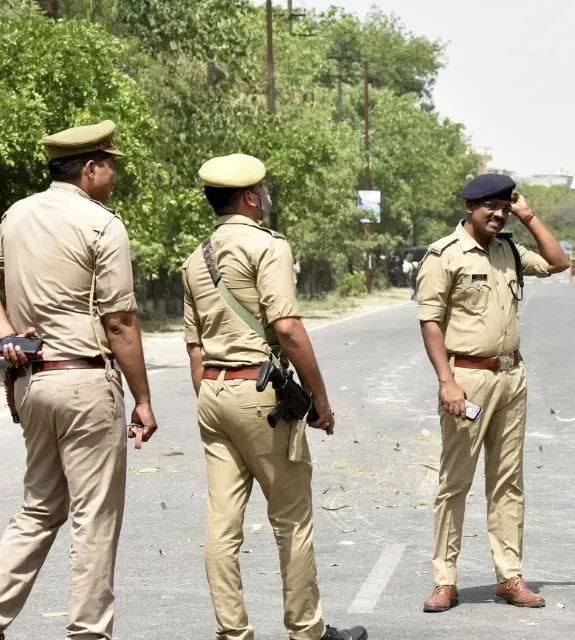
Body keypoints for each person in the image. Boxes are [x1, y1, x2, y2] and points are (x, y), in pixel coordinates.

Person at [181, 153, 366, 640]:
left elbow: (194, 346)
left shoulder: (195, 258)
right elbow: (287, 327)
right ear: (249, 197)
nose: (266, 198)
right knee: (291, 519)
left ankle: (233, 633)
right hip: (259, 395)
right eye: (263, 191)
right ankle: (307, 630)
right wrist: (320, 401)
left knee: (222, 524)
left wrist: (213, 394)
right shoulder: (267, 247)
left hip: (214, 393)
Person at [0, 120, 157, 640]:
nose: (114, 175)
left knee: (39, 509)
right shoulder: (102, 225)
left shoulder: (14, 217)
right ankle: (89, 632)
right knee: (94, 516)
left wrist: (6, 336)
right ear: (89, 169)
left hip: (31, 385)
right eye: (110, 165)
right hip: (85, 383)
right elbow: (119, 322)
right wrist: (142, 397)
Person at [416, 174, 569, 613]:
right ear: (470, 207)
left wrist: (529, 215)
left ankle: (510, 577)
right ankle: (445, 580)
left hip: (510, 377)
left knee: (507, 483)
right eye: (491, 207)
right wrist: (447, 381)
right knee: (455, 483)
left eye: (505, 206)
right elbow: (430, 322)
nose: (498, 214)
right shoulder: (444, 256)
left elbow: (559, 262)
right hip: (467, 379)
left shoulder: (510, 252)